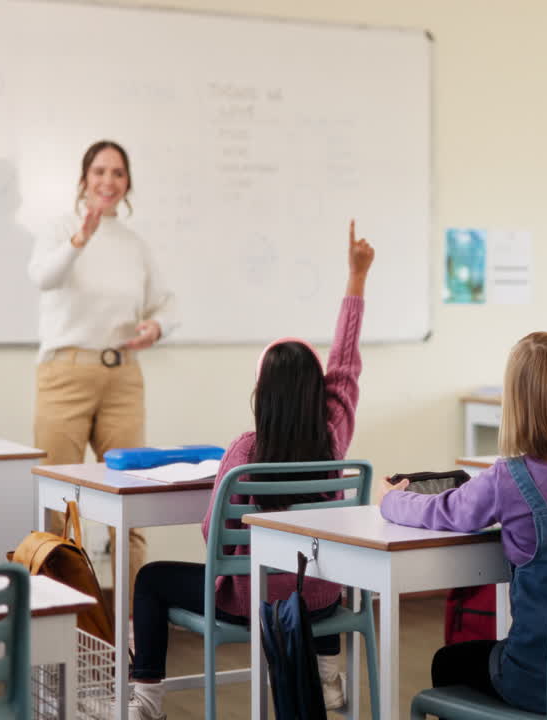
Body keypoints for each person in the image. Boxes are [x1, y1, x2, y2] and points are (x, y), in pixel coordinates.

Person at [380, 204, 547, 716]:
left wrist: (395, 500)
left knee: (448, 664)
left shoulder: (508, 480)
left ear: (515, 404)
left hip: (539, 683)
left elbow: (443, 512)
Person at [122, 221, 374, 720]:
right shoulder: (334, 436)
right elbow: (346, 364)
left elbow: (210, 532)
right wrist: (357, 278)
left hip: (252, 599)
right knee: (315, 568)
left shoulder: (243, 453)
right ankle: (326, 679)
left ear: (262, 394)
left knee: (150, 578)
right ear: (317, 391)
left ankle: (147, 700)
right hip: (323, 599)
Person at [27, 140, 177, 602]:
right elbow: (42, 277)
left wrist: (157, 326)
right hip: (65, 374)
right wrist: (79, 239)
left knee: (131, 499)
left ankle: (135, 627)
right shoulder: (59, 229)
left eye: (117, 173)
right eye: (99, 172)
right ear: (84, 179)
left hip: (122, 377)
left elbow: (166, 304)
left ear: (127, 182)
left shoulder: (135, 245)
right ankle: (60, 621)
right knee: (55, 505)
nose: (108, 181)